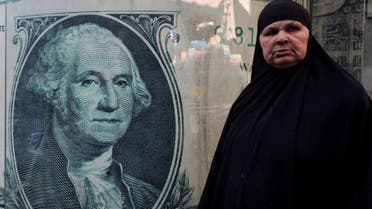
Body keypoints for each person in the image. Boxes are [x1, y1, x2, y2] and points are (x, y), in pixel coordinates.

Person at [198, 1, 372, 209]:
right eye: (270, 32)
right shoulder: (249, 99)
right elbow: (222, 173)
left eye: (292, 28)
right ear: (260, 42)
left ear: (309, 35)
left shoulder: (346, 97)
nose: (281, 38)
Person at [20, 22, 159, 209]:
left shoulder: (149, 197)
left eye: (121, 83)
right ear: (54, 90)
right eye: (89, 82)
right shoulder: (19, 188)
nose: (111, 103)